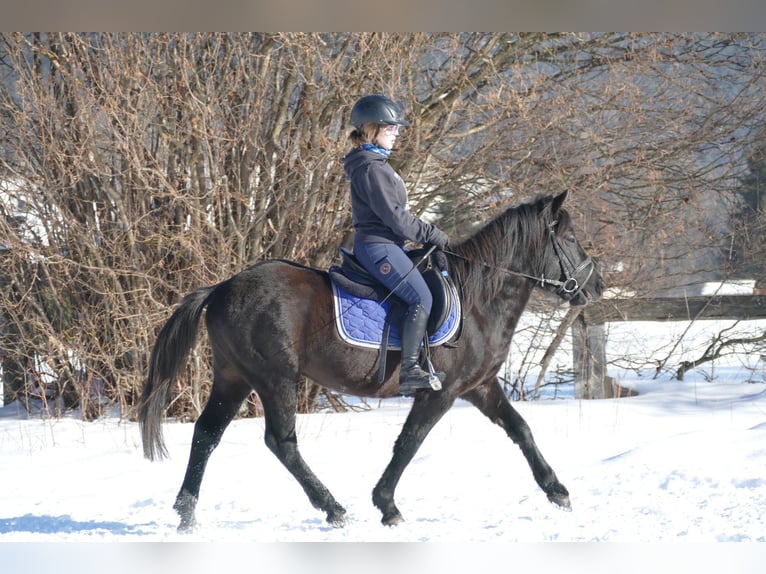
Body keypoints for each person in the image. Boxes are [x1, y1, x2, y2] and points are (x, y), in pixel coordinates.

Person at [343, 94, 449, 396]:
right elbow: (396, 219)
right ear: (370, 129)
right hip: (379, 246)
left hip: (387, 244)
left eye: (396, 129)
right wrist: (432, 233)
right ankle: (409, 370)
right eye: (390, 129)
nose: (397, 134)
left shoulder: (374, 163)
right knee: (421, 298)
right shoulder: (372, 168)